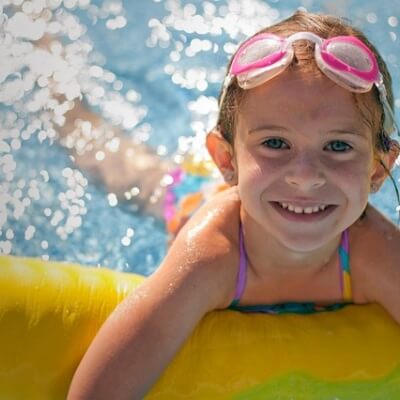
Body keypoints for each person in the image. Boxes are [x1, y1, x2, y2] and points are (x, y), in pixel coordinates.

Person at [67, 11, 400, 400]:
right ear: (226, 160)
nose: (306, 176)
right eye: (276, 143)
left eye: (338, 146)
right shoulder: (211, 254)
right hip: (192, 200)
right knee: (119, 168)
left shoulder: (375, 252)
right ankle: (64, 103)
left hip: (259, 191)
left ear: (378, 169)